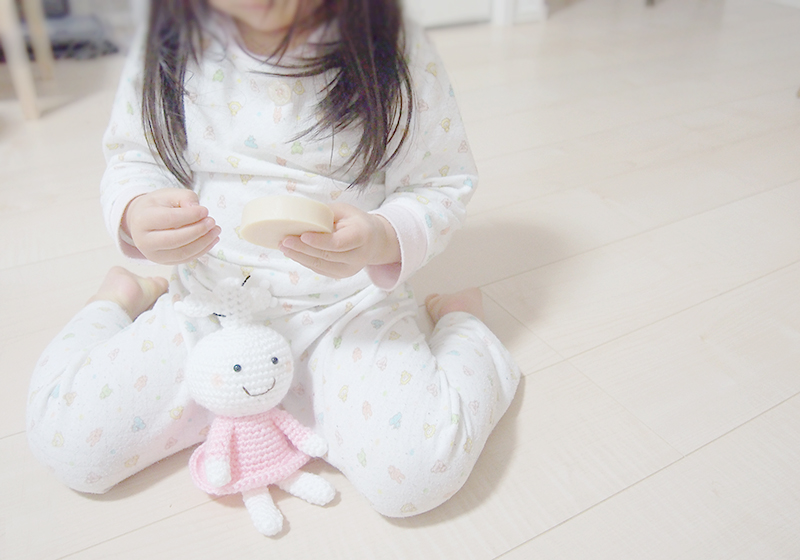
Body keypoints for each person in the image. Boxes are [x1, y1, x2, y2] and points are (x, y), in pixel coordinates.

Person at [26, 0, 520, 518]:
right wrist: (134, 213)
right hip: (211, 305)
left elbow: (441, 182)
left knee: (417, 475)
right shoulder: (170, 43)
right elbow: (134, 156)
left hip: (344, 311)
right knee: (70, 444)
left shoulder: (393, 46)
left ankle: (464, 324)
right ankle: (117, 298)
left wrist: (380, 235)